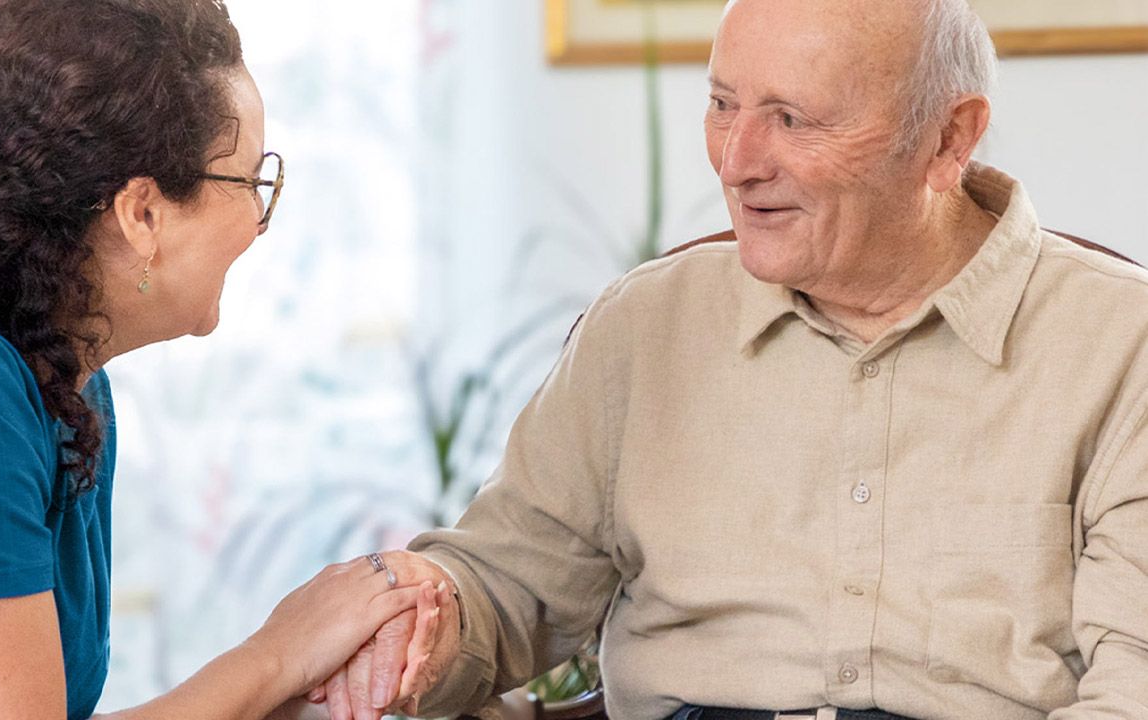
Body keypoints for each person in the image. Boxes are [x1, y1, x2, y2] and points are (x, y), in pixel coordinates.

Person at [320, 0, 1148, 718]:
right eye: (723, 104)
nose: (736, 160)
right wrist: (425, 620)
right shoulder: (646, 325)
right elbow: (506, 587)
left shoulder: (1120, 344)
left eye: (794, 118)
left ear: (947, 139)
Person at [0, 1, 444, 718]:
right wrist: (282, 653)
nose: (259, 223)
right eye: (251, 183)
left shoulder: (60, 379)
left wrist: (325, 685)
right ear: (143, 213)